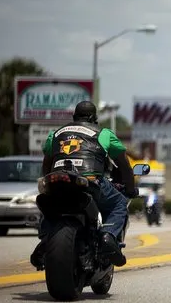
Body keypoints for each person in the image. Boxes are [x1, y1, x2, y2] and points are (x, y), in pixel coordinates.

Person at [30, 101, 136, 269]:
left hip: (58, 180)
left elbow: (47, 163)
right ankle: (108, 236)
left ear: (74, 117)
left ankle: (46, 239)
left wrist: (49, 181)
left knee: (49, 203)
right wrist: (130, 188)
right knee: (119, 203)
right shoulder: (104, 133)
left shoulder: (56, 134)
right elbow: (123, 164)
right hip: (90, 181)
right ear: (94, 118)